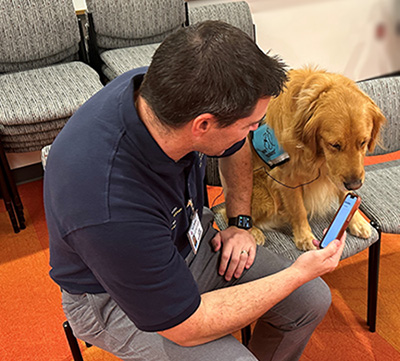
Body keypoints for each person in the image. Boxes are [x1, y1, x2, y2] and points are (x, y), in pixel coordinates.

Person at [44, 21, 345, 361]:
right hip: (112, 296)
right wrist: (296, 272)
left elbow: (234, 146)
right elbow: (186, 326)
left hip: (189, 238)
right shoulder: (108, 203)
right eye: (250, 124)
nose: (257, 131)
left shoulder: (173, 92)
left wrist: (240, 223)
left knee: (311, 300)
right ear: (203, 125)